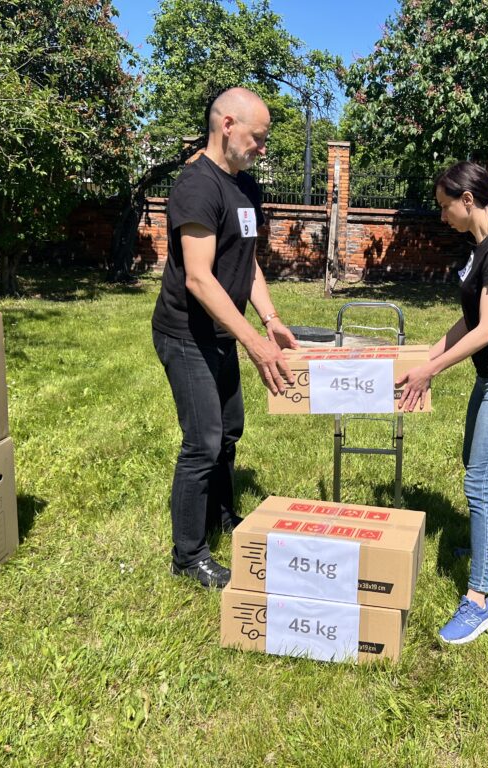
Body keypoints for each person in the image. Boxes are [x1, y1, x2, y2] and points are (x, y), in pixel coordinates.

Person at [152, 87, 298, 589]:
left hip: (221, 332)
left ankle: (219, 519)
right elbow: (198, 277)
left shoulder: (246, 188)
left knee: (229, 431)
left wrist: (270, 318)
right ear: (228, 125)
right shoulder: (196, 187)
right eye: (258, 137)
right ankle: (188, 555)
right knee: (202, 442)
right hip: (186, 332)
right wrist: (254, 345)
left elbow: (245, 261)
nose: (262, 146)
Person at [397, 161, 488, 644]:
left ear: (467, 200)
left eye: (445, 207)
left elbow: (487, 330)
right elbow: (468, 322)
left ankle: (479, 601)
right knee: (477, 465)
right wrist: (426, 354)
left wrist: (430, 372)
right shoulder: (481, 247)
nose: (442, 217)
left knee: (478, 481)